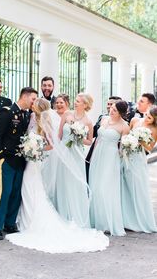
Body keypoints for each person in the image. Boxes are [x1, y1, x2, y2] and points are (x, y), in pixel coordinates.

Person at [6, 98, 109, 253]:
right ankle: (24, 218)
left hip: (38, 158)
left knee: (31, 186)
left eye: (34, 103)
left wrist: (36, 149)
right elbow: (57, 138)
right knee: (28, 187)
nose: (31, 104)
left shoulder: (49, 121)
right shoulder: (32, 117)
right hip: (31, 159)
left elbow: (53, 143)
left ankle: (30, 221)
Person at [0, 87, 38, 240]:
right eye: (33, 99)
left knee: (16, 193)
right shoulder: (7, 112)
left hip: (20, 159)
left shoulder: (26, 115)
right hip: (7, 158)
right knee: (3, 193)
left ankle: (10, 223)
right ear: (24, 96)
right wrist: (0, 156)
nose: (34, 102)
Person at [89, 100, 130, 236]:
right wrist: (92, 155)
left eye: (115, 110)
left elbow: (123, 148)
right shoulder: (104, 120)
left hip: (111, 158)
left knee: (105, 187)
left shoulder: (125, 126)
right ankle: (95, 220)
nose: (111, 111)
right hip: (98, 155)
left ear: (121, 113)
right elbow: (98, 139)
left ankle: (106, 222)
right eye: (111, 108)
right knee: (94, 186)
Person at [55, 93, 93, 228]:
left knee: (75, 183)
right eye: (75, 100)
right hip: (64, 153)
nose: (75, 103)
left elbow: (89, 141)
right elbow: (59, 135)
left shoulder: (88, 122)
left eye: (78, 101)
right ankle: (61, 214)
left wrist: (78, 137)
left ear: (85, 105)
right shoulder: (66, 114)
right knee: (63, 182)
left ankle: (74, 214)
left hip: (77, 155)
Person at [121, 106, 157, 233]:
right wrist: (127, 142)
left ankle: (139, 219)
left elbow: (149, 148)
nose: (146, 119)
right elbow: (125, 136)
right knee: (124, 186)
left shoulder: (154, 129)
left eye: (150, 118)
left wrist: (141, 141)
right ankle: (126, 218)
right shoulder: (135, 121)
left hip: (139, 158)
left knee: (137, 187)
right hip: (127, 155)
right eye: (146, 115)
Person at [86, 96, 122, 182]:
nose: (108, 106)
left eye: (111, 104)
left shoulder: (122, 122)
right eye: (108, 104)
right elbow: (93, 132)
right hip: (95, 149)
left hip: (111, 153)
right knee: (89, 173)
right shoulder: (102, 117)